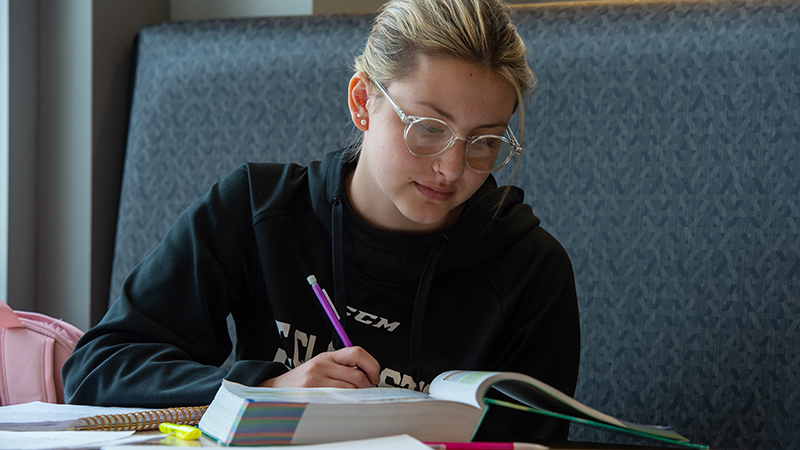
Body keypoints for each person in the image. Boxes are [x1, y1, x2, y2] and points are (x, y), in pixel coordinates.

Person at [62, 0, 580, 441]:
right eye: (428, 129)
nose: (451, 168)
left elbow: (529, 444)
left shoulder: (531, 270)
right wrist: (269, 390)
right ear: (362, 102)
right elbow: (98, 371)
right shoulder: (256, 210)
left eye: (484, 142)